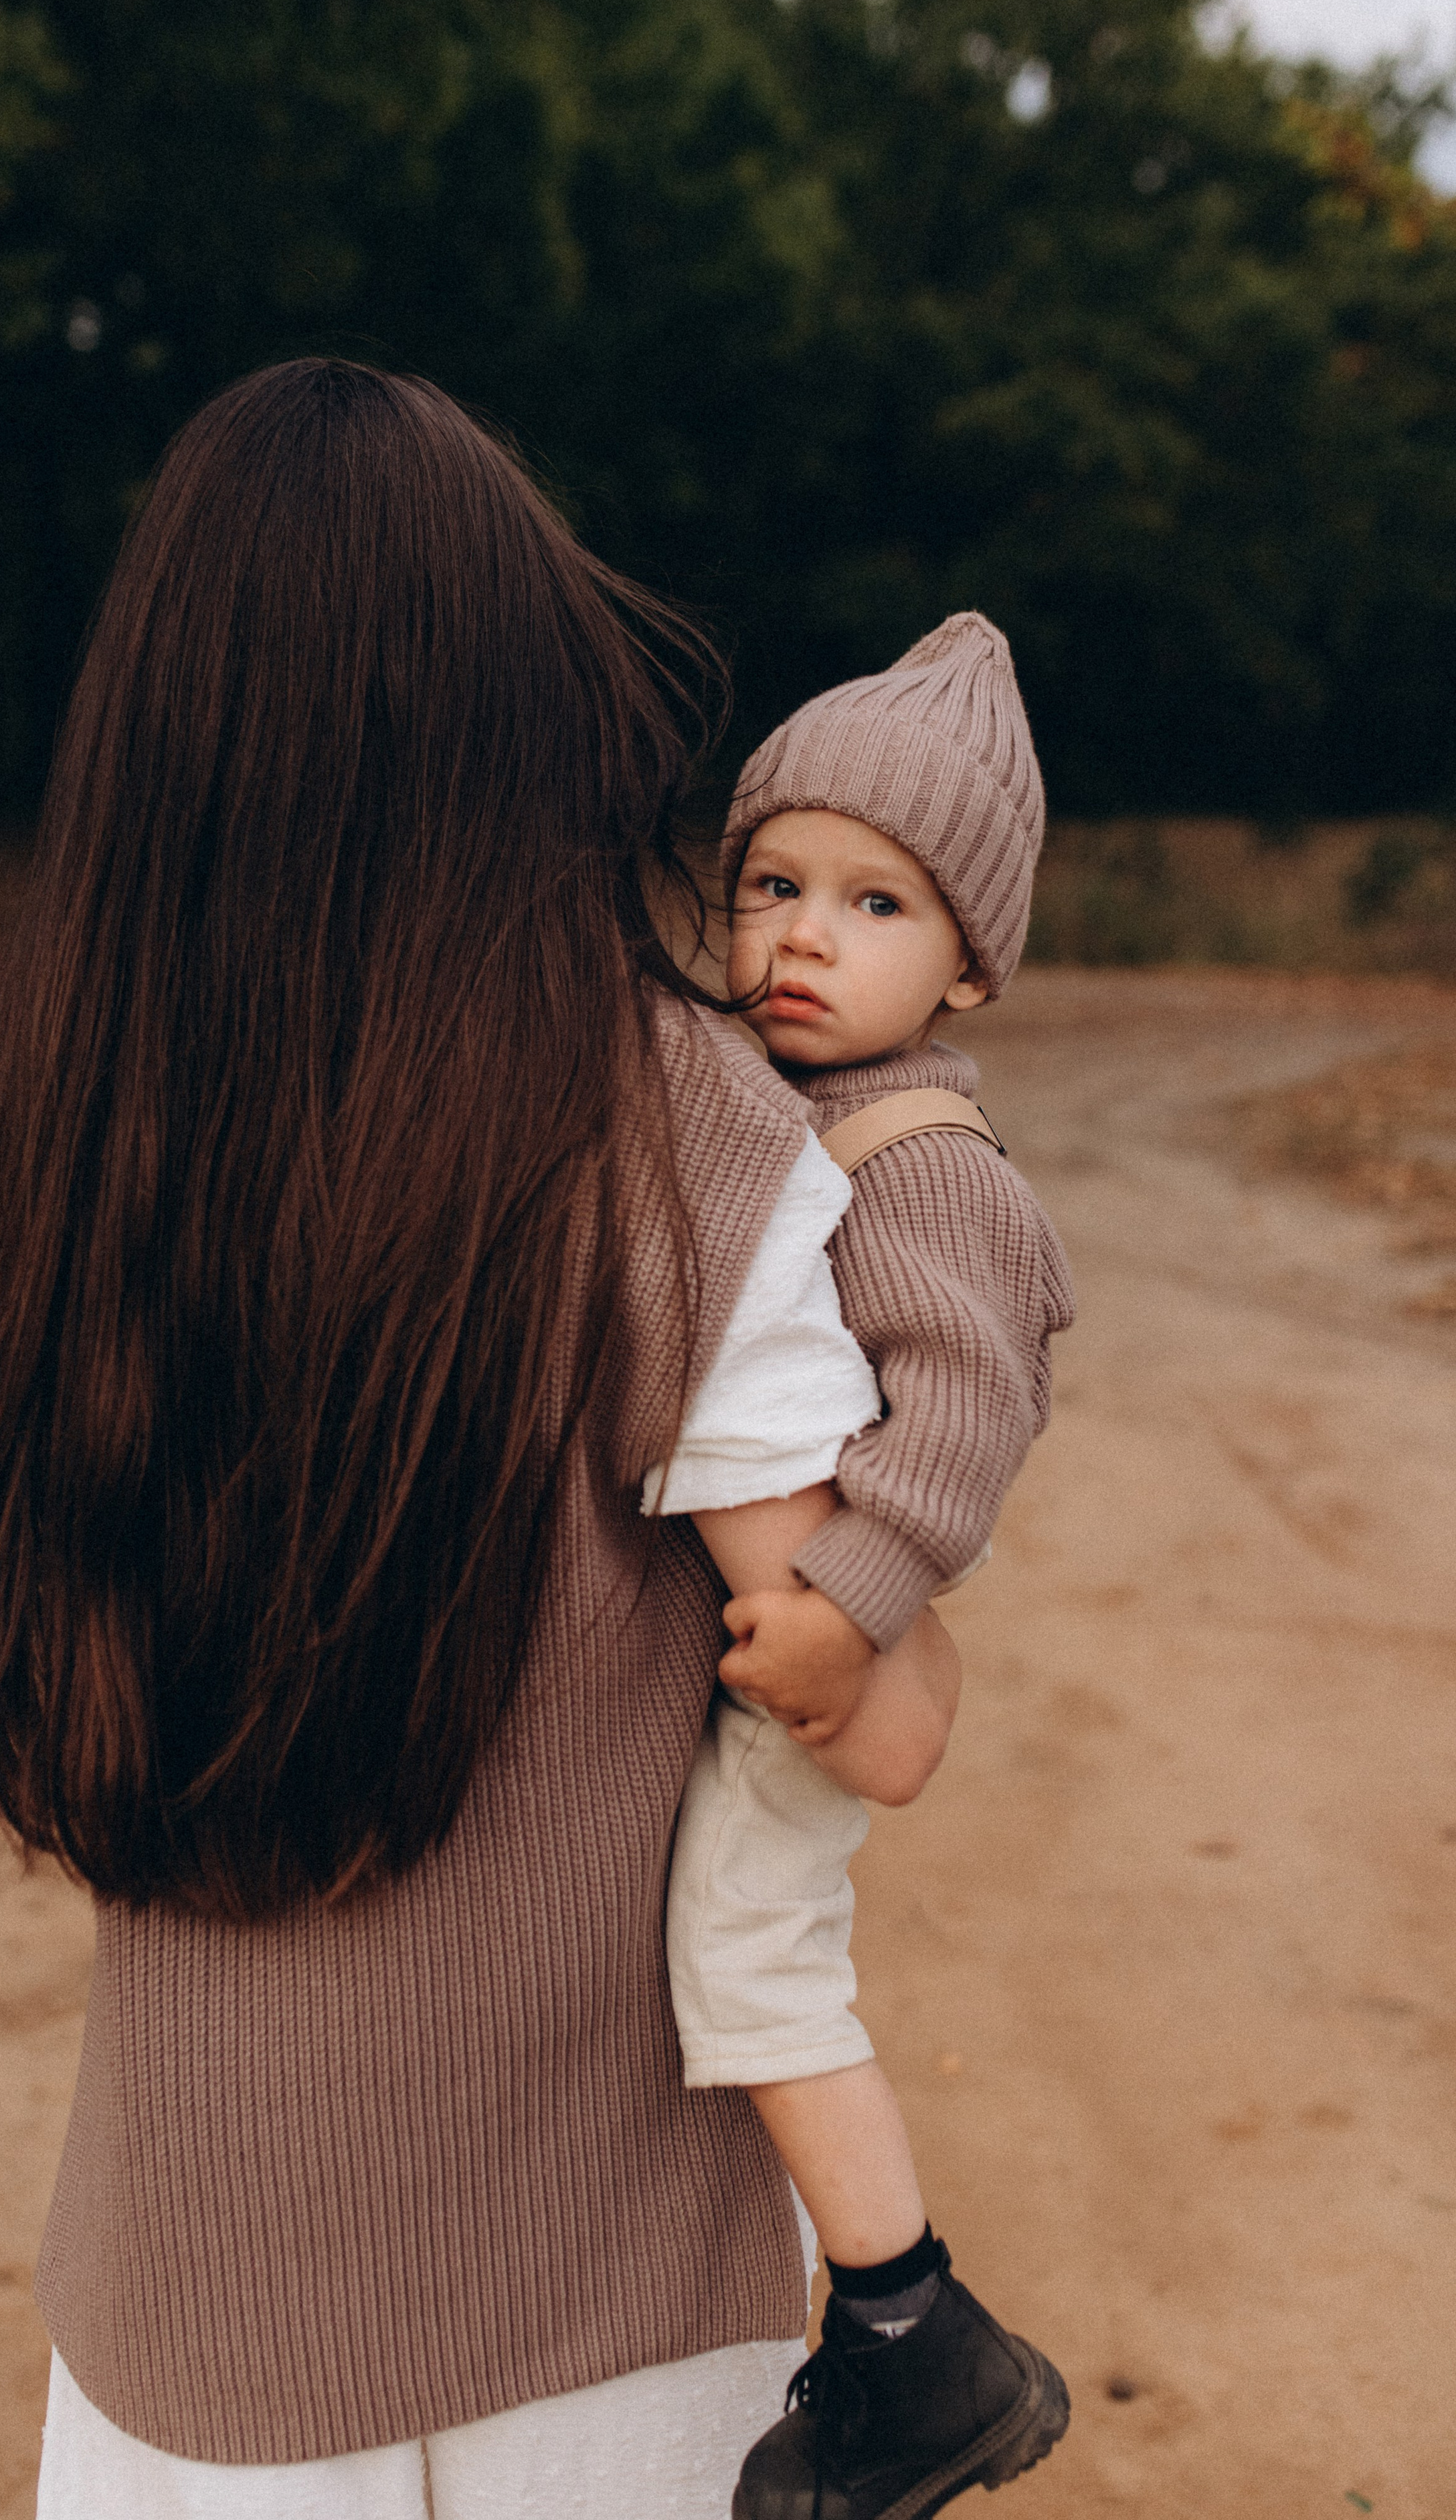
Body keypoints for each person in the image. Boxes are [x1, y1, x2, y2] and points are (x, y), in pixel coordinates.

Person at [0, 357, 962, 2519]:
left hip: (185, 2312)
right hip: (599, 2313)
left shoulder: (42, 1125)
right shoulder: (679, 1129)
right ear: (520, 707)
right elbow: (890, 1728)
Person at [653, 615, 1077, 2519]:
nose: (803, 938)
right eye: (775, 884)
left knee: (750, 1953)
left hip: (824, 1630)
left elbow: (973, 1406)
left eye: (875, 903)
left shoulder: (923, 1159)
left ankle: (914, 2336)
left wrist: (854, 1609)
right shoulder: (779, 1100)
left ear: (969, 965)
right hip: (799, 1611)